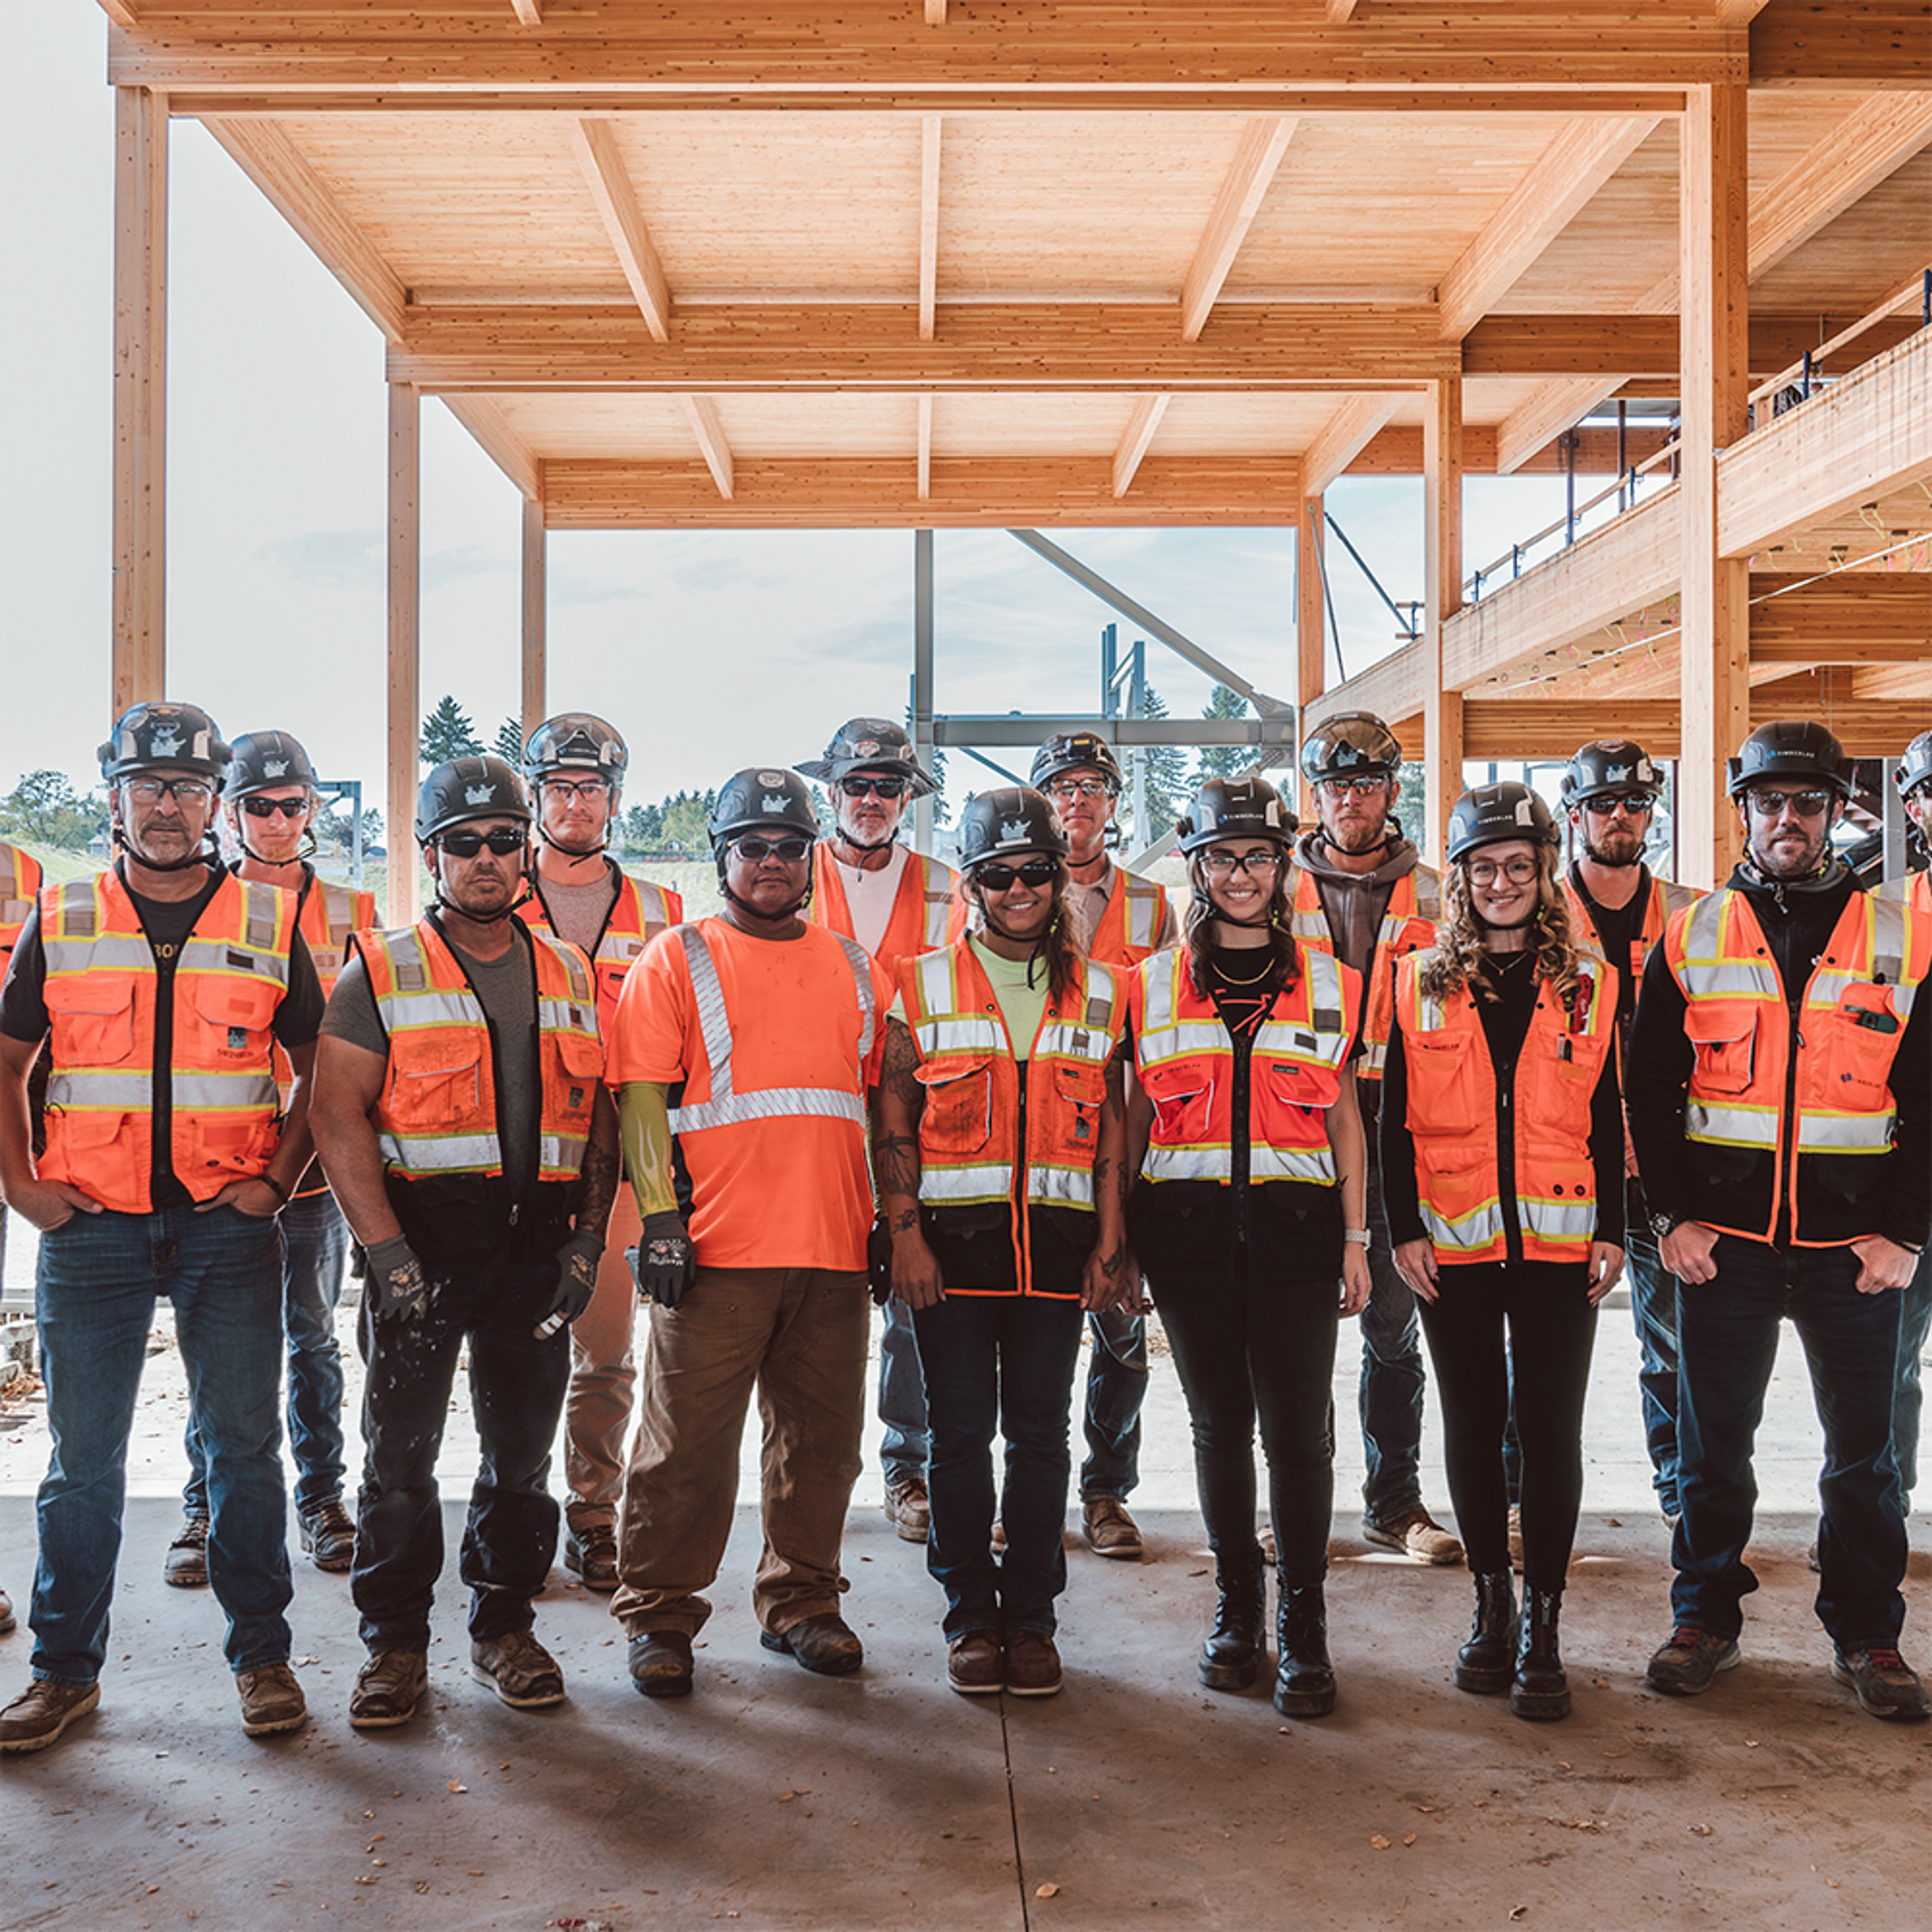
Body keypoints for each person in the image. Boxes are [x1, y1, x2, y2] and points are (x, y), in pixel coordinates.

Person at [0, 702, 324, 1754]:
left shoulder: (270, 925)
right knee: (82, 1464)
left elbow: (327, 1068)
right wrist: (20, 1185)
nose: (171, 807)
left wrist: (278, 1178)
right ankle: (62, 1674)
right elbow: (7, 1061)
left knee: (244, 1452)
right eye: (151, 786)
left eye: (190, 788)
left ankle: (263, 1660)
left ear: (216, 800)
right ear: (116, 798)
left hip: (229, 1228)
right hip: (88, 1229)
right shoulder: (66, 915)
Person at [308, 755, 618, 1728]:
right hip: (425, 1255)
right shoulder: (386, 969)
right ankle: (395, 1648)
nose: (485, 860)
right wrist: (386, 1253)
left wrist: (588, 1245)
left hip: (536, 1259)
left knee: (521, 1459)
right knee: (400, 1464)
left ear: (524, 852)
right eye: (462, 845)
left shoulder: (570, 970)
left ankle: (502, 1627)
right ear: (433, 856)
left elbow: (602, 1119)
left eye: (500, 841)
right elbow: (335, 1116)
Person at [1632, 722, 1932, 1722]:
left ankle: (1868, 1632)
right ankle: (1703, 1615)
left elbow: (1928, 1099)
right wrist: (1671, 1217)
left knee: (1865, 1457)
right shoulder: (1694, 934)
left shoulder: (1899, 938)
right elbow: (1647, 1090)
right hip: (1728, 1251)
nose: (1788, 819)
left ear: (1840, 808)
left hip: (1858, 1255)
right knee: (1715, 1446)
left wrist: (1907, 1234)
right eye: (1770, 802)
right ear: (1745, 812)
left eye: (1808, 801)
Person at [607, 769, 890, 1698]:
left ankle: (803, 1601)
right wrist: (658, 1218)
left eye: (787, 848)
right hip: (715, 1253)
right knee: (685, 1447)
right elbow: (643, 1096)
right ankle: (659, 1615)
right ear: (722, 857)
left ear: (812, 859)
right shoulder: (676, 957)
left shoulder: (855, 966)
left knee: (821, 1444)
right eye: (752, 847)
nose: (771, 863)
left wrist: (886, 1219)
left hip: (835, 1252)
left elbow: (874, 1107)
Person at [873, 786, 1132, 1697]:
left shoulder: (1104, 990)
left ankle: (1031, 1619)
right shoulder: (920, 983)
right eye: (998, 875)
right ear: (972, 885)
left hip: (1058, 1262)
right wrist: (904, 1236)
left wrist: (1113, 1244)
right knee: (956, 1441)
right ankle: (968, 1619)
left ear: (1058, 879)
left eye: (1034, 873)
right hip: (951, 1255)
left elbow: (1109, 1130)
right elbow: (895, 1121)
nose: (1018, 890)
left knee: (1040, 1440)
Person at [1125, 776, 1369, 1717]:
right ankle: (1239, 1608)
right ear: (1195, 865)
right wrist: (1123, 1240)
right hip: (1186, 1245)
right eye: (1222, 857)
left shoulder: (1334, 984)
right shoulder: (1148, 987)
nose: (1240, 875)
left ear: (1284, 869)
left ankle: (1304, 1623)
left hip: (1299, 1244)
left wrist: (1355, 1237)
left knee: (1301, 1439)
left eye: (1258, 858)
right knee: (1219, 1431)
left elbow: (1346, 1116)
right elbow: (1133, 1120)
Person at [1383, 782, 1624, 1722]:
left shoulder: (1590, 983)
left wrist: (1612, 1225)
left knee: (1551, 1435)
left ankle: (1545, 1627)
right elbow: (1393, 1115)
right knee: (1474, 1428)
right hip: (1454, 1246)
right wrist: (1399, 1227)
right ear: (1462, 880)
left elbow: (1607, 1112)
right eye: (1484, 868)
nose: (1501, 883)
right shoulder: (1419, 981)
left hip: (1564, 1247)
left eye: (1519, 867)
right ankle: (1492, 1607)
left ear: (1544, 873)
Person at [164, 730, 377, 1589]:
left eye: (293, 806)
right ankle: (203, 1501)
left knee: (313, 1339)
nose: (279, 821)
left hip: (317, 1168)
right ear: (231, 811)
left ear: (312, 810)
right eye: (261, 806)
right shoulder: (204, 907)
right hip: (222, 1166)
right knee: (214, 1347)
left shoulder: (357, 915)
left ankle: (322, 1501)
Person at [513, 711, 682, 1593]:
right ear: (536, 796)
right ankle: (513, 1508)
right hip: (514, 1159)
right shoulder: (493, 888)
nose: (576, 805)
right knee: (515, 1345)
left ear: (616, 802)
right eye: (560, 788)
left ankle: (591, 1511)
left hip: (617, 1165)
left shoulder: (661, 912)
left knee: (607, 1352)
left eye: (592, 790)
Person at [1290, 711, 1462, 1566]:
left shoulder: (1441, 892)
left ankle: (1394, 1504)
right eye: (1335, 783)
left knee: (1393, 1329)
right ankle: (1300, 1511)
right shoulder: (1264, 883)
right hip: (1293, 1127)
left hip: (1399, 1130)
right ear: (1313, 794)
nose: (1349, 798)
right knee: (1296, 1335)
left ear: (1394, 792)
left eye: (1365, 783)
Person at [794, 717, 962, 1549]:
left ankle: (909, 1465)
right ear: (830, 793)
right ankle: (799, 1481)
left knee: (908, 1287)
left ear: (907, 798)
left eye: (887, 788)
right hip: (809, 1110)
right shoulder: (789, 867)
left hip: (913, 1113)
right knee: (809, 1295)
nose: (870, 801)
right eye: (856, 786)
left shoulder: (945, 888)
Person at [1031, 731, 1178, 1562]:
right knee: (1033, 1331)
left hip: (1128, 1141)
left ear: (1114, 804)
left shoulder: (1156, 908)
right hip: (1037, 1142)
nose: (1076, 800)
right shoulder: (1007, 893)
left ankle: (1106, 1492)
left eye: (1091, 786)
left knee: (1122, 1329)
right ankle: (1031, 1488)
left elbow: (1164, 1037)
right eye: (1061, 786)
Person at [1557, 740, 1700, 1530]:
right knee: (1539, 1348)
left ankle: (1683, 1498)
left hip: (1661, 1167)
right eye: (1603, 803)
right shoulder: (1536, 911)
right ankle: (1524, 1500)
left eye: (1635, 803)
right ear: (1575, 814)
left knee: (1676, 1347)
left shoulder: (1694, 914)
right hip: (1562, 1161)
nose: (1620, 816)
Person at [1876, 731, 1932, 1522]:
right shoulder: (1883, 920)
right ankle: (1876, 1516)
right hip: (1904, 1175)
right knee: (1887, 1362)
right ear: (1917, 806)